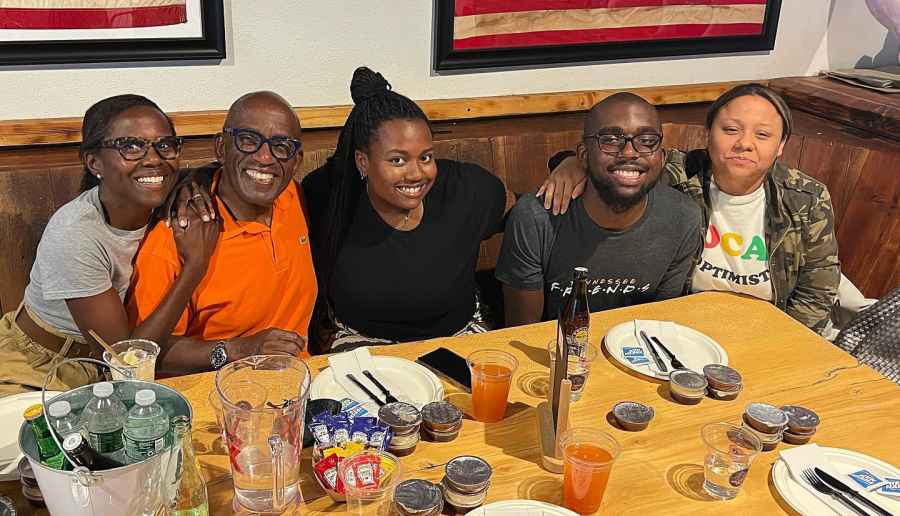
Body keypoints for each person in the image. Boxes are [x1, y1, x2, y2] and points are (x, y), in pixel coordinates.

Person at [545, 84, 840, 334]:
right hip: (684, 332)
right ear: (708, 133)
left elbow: (815, 297)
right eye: (731, 130)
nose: (744, 144)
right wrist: (569, 162)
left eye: (762, 135)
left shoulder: (806, 199)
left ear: (781, 145)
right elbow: (619, 164)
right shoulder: (681, 172)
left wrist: (780, 348)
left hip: (769, 333)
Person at [0, 94, 218, 396]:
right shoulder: (76, 234)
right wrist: (195, 267)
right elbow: (124, 360)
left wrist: (199, 178)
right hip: (39, 366)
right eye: (130, 146)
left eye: (164, 145)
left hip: (100, 369)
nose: (154, 158)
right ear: (94, 162)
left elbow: (199, 171)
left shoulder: (161, 191)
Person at [302, 67, 509, 351]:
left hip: (459, 336)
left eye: (425, 157)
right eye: (397, 161)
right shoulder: (328, 195)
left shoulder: (465, 189)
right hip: (363, 343)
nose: (416, 174)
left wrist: (567, 164)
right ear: (363, 162)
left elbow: (523, 208)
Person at [128, 91, 316, 375]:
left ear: (296, 161)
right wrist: (239, 350)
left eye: (281, 146)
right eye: (248, 140)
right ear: (221, 148)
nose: (265, 157)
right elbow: (142, 356)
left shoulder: (294, 196)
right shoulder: (176, 236)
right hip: (219, 394)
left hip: (304, 378)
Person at [497, 93, 703, 326]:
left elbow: (658, 325)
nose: (629, 152)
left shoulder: (683, 217)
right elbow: (522, 330)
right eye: (611, 139)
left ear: (661, 158)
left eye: (646, 140)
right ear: (584, 155)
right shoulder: (536, 217)